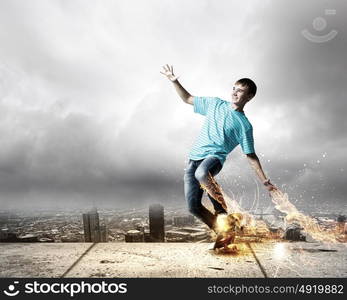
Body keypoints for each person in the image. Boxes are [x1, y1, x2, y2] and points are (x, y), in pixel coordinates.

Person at [161, 64, 277, 232]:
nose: (234, 92)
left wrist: (265, 181)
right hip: (193, 159)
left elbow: (251, 156)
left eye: (240, 90)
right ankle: (223, 231)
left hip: (213, 159)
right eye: (233, 88)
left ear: (249, 96)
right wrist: (174, 81)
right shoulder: (215, 104)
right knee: (193, 207)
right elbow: (187, 98)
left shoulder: (244, 125)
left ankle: (222, 211)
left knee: (201, 173)